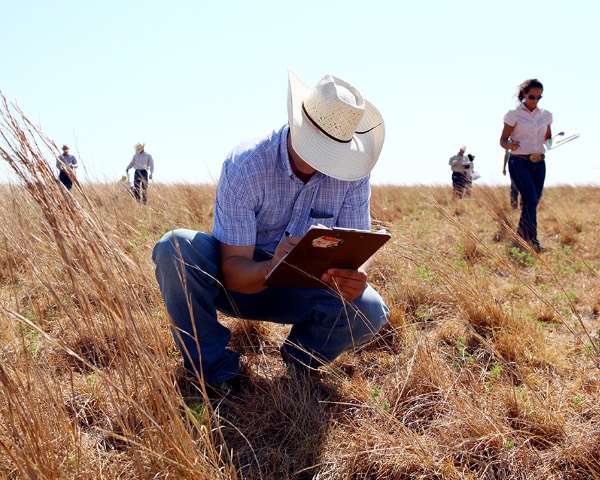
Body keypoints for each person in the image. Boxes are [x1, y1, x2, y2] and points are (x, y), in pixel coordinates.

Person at [152, 70, 390, 393]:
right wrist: (271, 267)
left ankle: (301, 360)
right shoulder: (246, 164)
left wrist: (354, 276)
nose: (322, 161)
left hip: (305, 288)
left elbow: (356, 250)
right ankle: (214, 372)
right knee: (175, 249)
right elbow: (233, 270)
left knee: (370, 309)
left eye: (331, 152)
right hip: (239, 281)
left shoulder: (352, 174)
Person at [500, 79, 552, 252]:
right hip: (519, 162)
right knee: (529, 199)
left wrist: (558, 139)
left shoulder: (546, 115)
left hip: (539, 163)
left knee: (533, 201)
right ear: (524, 94)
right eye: (532, 96)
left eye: (539, 97)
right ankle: (533, 241)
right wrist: (510, 145)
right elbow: (503, 140)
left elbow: (548, 138)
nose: (535, 100)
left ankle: (521, 238)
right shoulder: (513, 115)